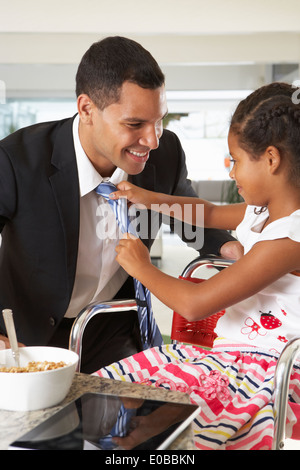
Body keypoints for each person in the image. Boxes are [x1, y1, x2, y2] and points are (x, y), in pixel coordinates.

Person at [0, 36, 238, 373]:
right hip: (26, 337)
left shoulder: (165, 153)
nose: (152, 140)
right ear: (86, 110)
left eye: (159, 120)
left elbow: (192, 215)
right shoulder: (15, 160)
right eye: (134, 124)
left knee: (131, 421)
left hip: (115, 328)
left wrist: (231, 248)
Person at [94, 82, 300, 449]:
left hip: (268, 368)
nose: (232, 173)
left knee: (192, 416)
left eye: (235, 160)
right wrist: (147, 197)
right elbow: (207, 212)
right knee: (119, 382)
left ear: (271, 159)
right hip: (229, 355)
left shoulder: (290, 236)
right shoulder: (261, 212)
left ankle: (151, 438)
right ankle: (139, 434)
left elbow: (195, 303)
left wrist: (142, 266)